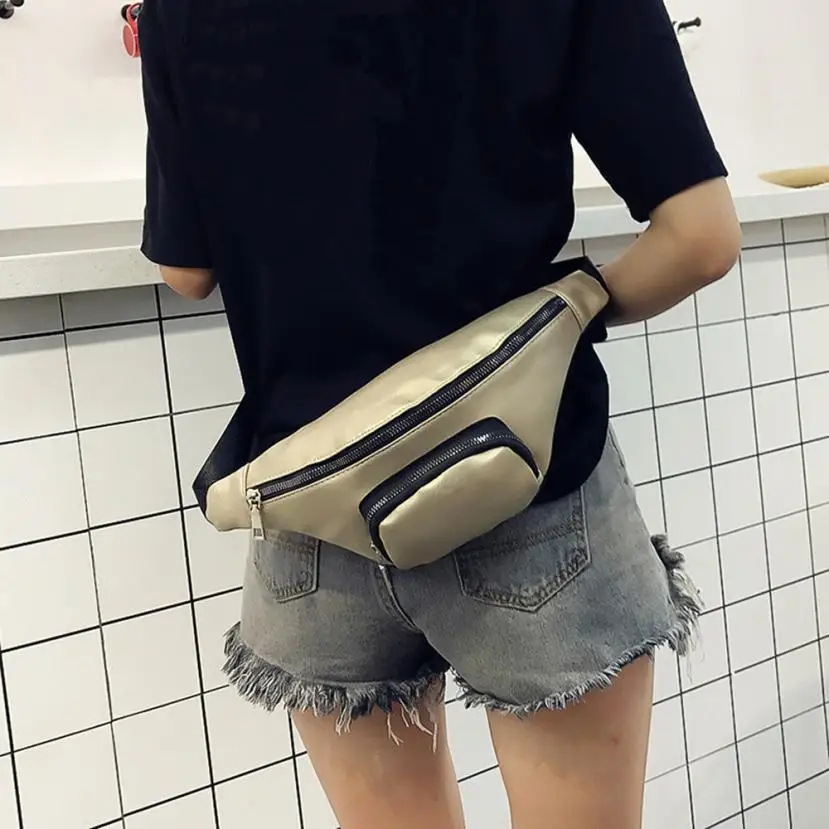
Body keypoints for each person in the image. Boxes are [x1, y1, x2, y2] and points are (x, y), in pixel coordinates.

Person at [138, 1, 741, 827]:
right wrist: (565, 312)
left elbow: (186, 270)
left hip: (314, 507)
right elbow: (699, 238)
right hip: (525, 484)